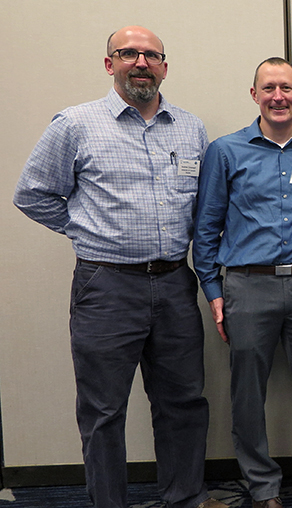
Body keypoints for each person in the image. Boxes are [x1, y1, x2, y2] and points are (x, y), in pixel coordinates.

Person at [12, 26, 224, 508]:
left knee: (184, 403)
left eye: (151, 55)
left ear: (165, 66)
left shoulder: (190, 128)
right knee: (104, 410)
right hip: (106, 287)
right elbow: (32, 194)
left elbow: (202, 205)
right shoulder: (75, 124)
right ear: (110, 64)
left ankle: (185, 497)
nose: (141, 62)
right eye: (128, 53)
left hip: (173, 283)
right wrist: (85, 229)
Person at [192, 58, 292, 508]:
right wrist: (215, 294)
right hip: (247, 287)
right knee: (247, 393)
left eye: (287, 88)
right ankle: (262, 488)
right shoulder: (226, 151)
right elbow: (206, 229)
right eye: (269, 88)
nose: (279, 96)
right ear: (253, 94)